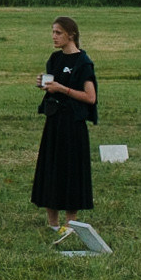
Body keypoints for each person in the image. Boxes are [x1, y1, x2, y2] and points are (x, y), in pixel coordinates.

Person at [32, 15, 101, 243]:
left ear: (71, 35)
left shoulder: (83, 63)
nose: (54, 36)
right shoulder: (54, 59)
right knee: (51, 168)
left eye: (58, 33)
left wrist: (62, 89)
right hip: (54, 123)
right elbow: (54, 86)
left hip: (73, 126)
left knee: (72, 172)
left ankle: (70, 224)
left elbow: (90, 98)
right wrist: (45, 85)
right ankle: (53, 224)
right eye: (52, 32)